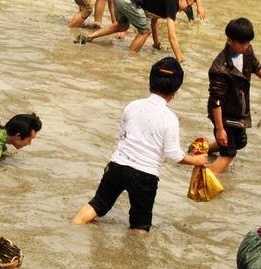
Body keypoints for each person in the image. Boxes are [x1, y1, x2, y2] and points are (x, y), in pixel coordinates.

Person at [71, 57, 207, 234]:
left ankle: (72, 227)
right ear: (175, 92)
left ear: (150, 83)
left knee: (97, 204)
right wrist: (196, 160)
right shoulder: (169, 118)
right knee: (140, 225)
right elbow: (174, 155)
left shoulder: (133, 106)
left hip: (117, 165)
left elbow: (122, 135)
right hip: (145, 175)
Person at [204, 18, 261, 174]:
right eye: (243, 43)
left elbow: (255, 65)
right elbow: (215, 101)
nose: (247, 46)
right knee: (228, 153)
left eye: (248, 43)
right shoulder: (219, 68)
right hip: (223, 113)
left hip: (239, 109)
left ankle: (205, 148)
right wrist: (219, 129)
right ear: (230, 41)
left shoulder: (247, 51)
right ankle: (203, 182)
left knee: (240, 142)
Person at [75, 0, 202, 62]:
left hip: (119, 1)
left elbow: (154, 21)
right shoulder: (173, 4)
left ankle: (88, 38)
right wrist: (180, 59)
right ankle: (129, 58)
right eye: (189, 5)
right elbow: (172, 36)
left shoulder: (167, 3)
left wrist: (156, 44)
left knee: (122, 26)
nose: (187, 9)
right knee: (144, 31)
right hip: (128, 2)